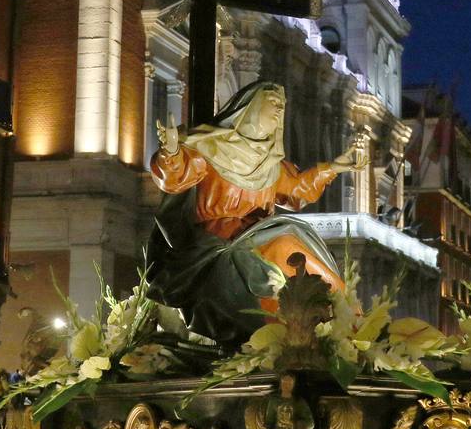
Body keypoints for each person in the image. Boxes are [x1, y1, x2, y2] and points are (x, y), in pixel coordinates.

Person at [147, 82, 367, 345]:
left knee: (294, 243)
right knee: (285, 243)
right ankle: (346, 316)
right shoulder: (210, 147)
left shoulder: (270, 161)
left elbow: (297, 190)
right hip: (216, 238)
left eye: (282, 105)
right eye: (273, 102)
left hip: (258, 234)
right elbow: (176, 177)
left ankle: (342, 317)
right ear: (250, 107)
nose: (279, 110)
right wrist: (171, 152)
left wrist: (333, 168)